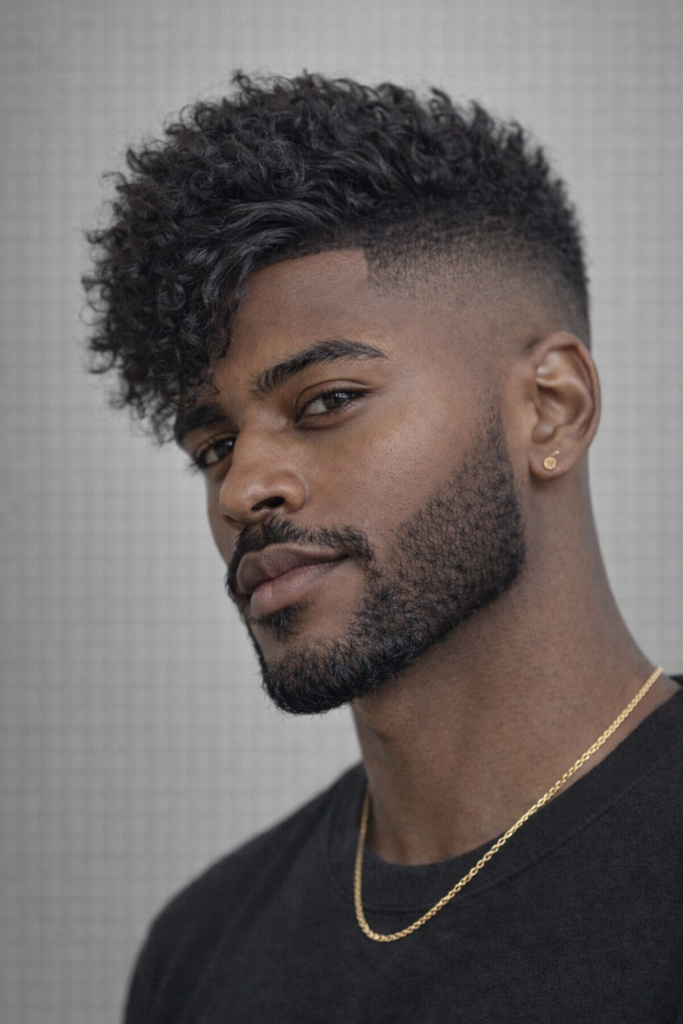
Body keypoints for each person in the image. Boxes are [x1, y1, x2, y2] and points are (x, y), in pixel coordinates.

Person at [83, 73, 683, 1023]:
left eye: (326, 401)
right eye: (214, 446)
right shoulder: (200, 954)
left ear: (550, 409)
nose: (243, 489)